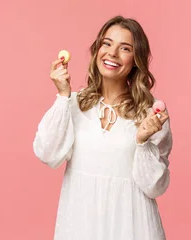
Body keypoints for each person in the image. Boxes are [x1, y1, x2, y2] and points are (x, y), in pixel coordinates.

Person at [33, 15, 173, 240]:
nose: (112, 53)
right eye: (107, 44)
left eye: (125, 48)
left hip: (133, 227)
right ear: (97, 49)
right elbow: (48, 154)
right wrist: (62, 95)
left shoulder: (150, 115)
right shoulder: (73, 104)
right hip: (81, 225)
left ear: (136, 59)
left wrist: (142, 140)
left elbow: (154, 187)